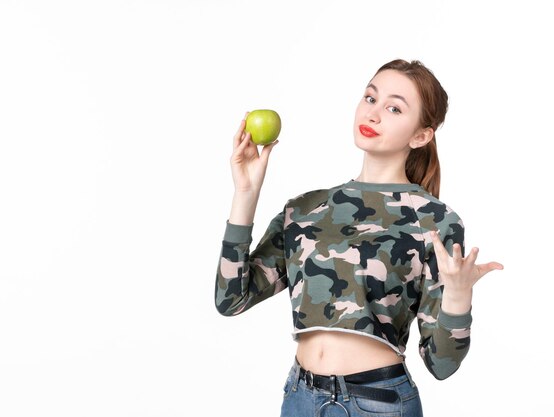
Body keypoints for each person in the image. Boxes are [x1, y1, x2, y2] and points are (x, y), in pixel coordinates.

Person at [214, 59, 503, 417]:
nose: (374, 113)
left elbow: (441, 365)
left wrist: (458, 297)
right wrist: (245, 193)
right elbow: (231, 299)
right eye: (370, 98)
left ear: (421, 135)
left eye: (394, 107)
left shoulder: (434, 220)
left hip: (378, 403)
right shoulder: (305, 209)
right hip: (300, 398)